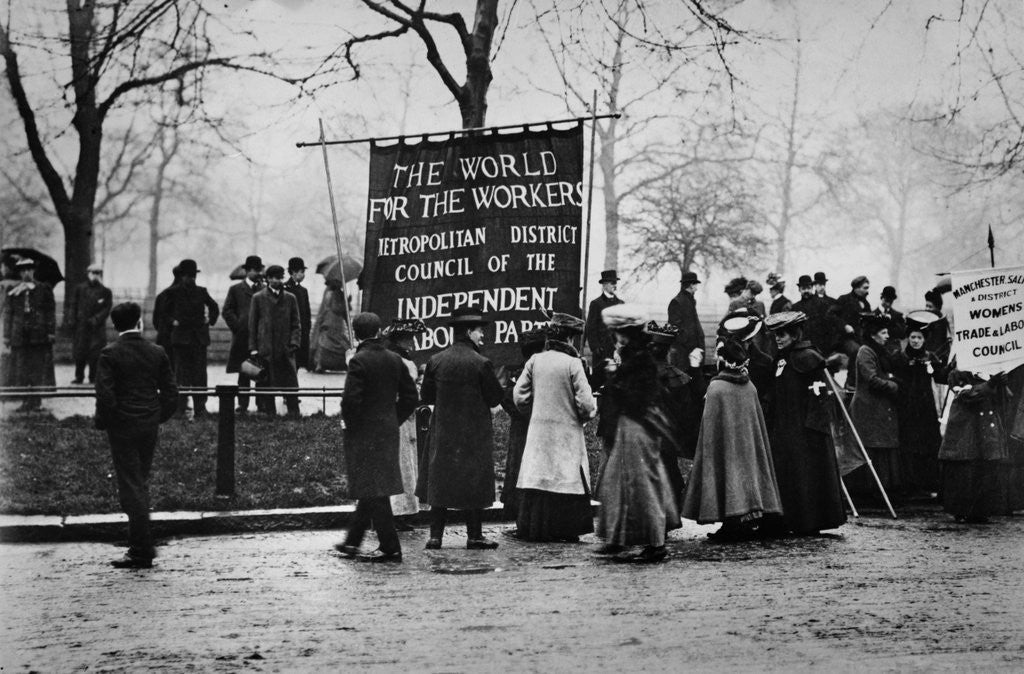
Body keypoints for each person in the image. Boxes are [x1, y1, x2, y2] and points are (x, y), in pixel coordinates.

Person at [94, 302, 178, 569]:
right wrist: (156, 416)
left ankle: (142, 549)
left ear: (115, 325)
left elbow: (105, 396)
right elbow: (171, 393)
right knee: (139, 481)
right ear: (139, 322)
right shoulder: (156, 351)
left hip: (123, 427)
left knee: (131, 486)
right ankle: (139, 544)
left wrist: (107, 421)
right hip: (148, 425)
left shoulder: (109, 353)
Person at [595, 303, 681, 563]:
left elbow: (636, 397)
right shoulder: (639, 355)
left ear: (624, 332)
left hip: (639, 426)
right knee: (621, 482)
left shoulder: (640, 358)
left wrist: (613, 379)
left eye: (616, 332)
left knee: (643, 484)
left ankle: (656, 544)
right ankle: (618, 537)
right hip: (632, 426)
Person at [418, 305, 505, 550]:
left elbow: (426, 395)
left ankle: (435, 537)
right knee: (473, 481)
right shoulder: (482, 363)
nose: (482, 336)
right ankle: (474, 536)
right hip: (473, 434)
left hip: (444, 430)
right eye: (479, 331)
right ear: (468, 331)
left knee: (441, 480)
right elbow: (495, 398)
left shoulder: (435, 360)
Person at [334, 312, 419, 562]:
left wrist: (352, 426)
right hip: (388, 432)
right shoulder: (395, 359)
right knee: (374, 488)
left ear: (357, 334)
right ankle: (353, 543)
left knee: (372, 487)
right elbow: (411, 398)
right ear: (379, 331)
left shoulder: (359, 361)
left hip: (364, 434)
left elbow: (350, 401)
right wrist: (394, 419)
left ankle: (390, 547)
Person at [682, 338, 783, 541]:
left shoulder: (716, 389)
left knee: (727, 479)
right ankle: (745, 520)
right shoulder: (750, 387)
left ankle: (731, 524)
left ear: (722, 360)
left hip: (726, 450)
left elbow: (709, 429)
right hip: (747, 450)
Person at [512, 313, 597, 542]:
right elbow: (587, 405)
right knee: (565, 477)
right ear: (570, 338)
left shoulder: (535, 360)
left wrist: (534, 413)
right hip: (567, 434)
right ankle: (564, 530)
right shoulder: (573, 364)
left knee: (539, 476)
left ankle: (535, 528)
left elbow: (519, 397)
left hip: (539, 433)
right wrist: (585, 415)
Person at [762, 311, 847, 536]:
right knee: (789, 474)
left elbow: (820, 396)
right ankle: (789, 520)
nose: (778, 339)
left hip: (806, 430)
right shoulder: (780, 359)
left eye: (782, 334)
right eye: (775, 335)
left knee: (806, 474)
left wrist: (813, 428)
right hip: (784, 427)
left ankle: (809, 522)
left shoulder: (808, 357)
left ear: (794, 334)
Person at [939, 366, 1008, 523]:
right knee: (965, 469)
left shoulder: (990, 371)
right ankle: (962, 510)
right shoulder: (957, 373)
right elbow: (967, 395)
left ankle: (982, 509)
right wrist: (991, 384)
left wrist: (1001, 384)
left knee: (985, 467)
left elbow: (1003, 399)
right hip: (966, 428)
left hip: (986, 427)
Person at [646, 322, 702, 507]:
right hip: (668, 438)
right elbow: (687, 413)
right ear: (668, 351)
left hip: (645, 437)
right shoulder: (677, 377)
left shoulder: (640, 375)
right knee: (668, 473)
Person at [848, 313, 901, 495]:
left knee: (881, 447)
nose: (887, 336)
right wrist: (893, 385)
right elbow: (871, 379)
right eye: (884, 332)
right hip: (868, 408)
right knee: (872, 447)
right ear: (873, 334)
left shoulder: (878, 350)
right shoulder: (865, 351)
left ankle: (883, 490)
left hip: (878, 408)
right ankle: (870, 491)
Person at [382, 317, 428, 527]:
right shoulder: (406, 363)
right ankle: (400, 511)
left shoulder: (385, 357)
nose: (412, 342)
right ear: (401, 340)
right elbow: (411, 394)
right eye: (409, 338)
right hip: (402, 417)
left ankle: (392, 510)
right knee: (403, 464)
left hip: (386, 416)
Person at [499, 327, 547, 519]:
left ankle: (514, 506)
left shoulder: (518, 371)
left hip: (520, 425)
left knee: (517, 464)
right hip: (532, 425)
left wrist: (520, 414)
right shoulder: (533, 370)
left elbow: (507, 398)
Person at [893, 314, 944, 496]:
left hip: (925, 408)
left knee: (928, 443)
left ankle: (929, 484)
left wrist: (949, 366)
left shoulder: (930, 357)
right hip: (906, 407)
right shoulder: (899, 357)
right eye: (913, 337)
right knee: (908, 444)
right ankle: (910, 485)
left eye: (919, 338)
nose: (915, 341)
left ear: (925, 340)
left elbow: (940, 376)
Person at [165, 259, 219, 418]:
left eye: (193, 275)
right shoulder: (173, 292)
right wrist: (172, 321)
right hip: (181, 340)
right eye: (188, 276)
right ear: (181, 276)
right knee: (181, 374)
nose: (191, 279)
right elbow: (164, 313)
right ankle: (180, 408)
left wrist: (210, 319)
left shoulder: (202, 291)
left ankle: (200, 407)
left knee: (200, 374)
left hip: (198, 339)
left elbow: (214, 307)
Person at [3, 258, 56, 411]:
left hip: (38, 335)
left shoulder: (43, 289)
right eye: (23, 270)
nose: (26, 273)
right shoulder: (13, 291)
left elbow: (50, 312)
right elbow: (8, 314)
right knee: (22, 368)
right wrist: (6, 336)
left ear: (34, 271)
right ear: (19, 273)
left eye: (29, 270)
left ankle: (36, 400)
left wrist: (51, 332)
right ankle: (25, 400)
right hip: (19, 335)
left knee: (37, 367)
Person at [248, 264, 301, 418]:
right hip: (266, 348)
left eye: (279, 277)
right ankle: (269, 413)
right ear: (268, 279)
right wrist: (253, 348)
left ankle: (294, 413)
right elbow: (252, 325)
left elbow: (296, 324)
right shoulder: (258, 298)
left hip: (285, 348)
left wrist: (294, 344)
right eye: (273, 277)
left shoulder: (290, 298)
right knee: (266, 382)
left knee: (290, 383)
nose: (277, 281)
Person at [222, 255, 263, 414]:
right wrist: (238, 326)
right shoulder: (236, 290)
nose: (257, 273)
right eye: (254, 270)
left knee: (261, 371)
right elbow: (227, 310)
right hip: (242, 338)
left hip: (260, 338)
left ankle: (261, 404)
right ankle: (243, 404)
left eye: (258, 270)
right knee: (244, 372)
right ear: (247, 271)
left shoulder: (263, 289)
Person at [67, 263, 112, 384]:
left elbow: (107, 309)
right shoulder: (80, 289)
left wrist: (96, 319)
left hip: (96, 328)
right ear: (88, 274)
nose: (95, 276)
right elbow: (73, 305)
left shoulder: (105, 292)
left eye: (98, 273)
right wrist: (72, 320)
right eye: (93, 273)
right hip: (81, 326)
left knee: (95, 353)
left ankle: (93, 376)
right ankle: (79, 376)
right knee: (80, 351)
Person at [584, 269, 624, 390]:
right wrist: (596, 348)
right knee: (600, 384)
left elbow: (623, 328)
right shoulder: (596, 304)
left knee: (617, 384)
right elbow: (590, 328)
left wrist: (621, 348)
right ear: (604, 284)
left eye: (615, 282)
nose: (615, 285)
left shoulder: (621, 304)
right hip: (602, 352)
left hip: (618, 351)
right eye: (612, 283)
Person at [667, 270, 705, 388]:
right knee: (687, 390)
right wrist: (692, 348)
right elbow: (676, 330)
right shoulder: (677, 302)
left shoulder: (690, 300)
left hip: (694, 355)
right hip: (684, 356)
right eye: (696, 285)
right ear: (691, 285)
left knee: (696, 388)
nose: (697, 288)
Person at [310, 281, 351, 372]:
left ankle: (320, 364)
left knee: (325, 342)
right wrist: (346, 302)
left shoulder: (330, 292)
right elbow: (336, 308)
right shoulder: (334, 293)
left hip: (331, 321)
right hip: (332, 321)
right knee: (328, 342)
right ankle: (321, 364)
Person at [835, 275, 872, 363]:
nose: (867, 291)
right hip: (844, 339)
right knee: (857, 352)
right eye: (865, 288)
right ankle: (852, 376)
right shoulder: (843, 299)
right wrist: (845, 326)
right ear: (856, 288)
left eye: (868, 288)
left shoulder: (866, 304)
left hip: (860, 338)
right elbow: (831, 315)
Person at [151, 265, 181, 372]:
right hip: (180, 340)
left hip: (164, 338)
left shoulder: (162, 295)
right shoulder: (182, 295)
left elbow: (155, 321)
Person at [284, 257, 312, 371]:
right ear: (294, 272)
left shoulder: (303, 290)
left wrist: (307, 329)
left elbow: (307, 313)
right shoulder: (285, 289)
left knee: (298, 362)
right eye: (302, 272)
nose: (303, 275)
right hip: (290, 332)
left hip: (302, 333)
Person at [875, 285, 906, 356]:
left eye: (891, 301)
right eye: (886, 300)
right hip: (877, 347)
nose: (888, 304)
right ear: (881, 298)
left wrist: (890, 322)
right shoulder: (873, 314)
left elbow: (902, 335)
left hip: (893, 348)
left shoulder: (898, 315)